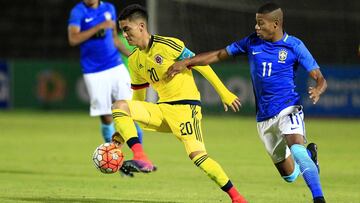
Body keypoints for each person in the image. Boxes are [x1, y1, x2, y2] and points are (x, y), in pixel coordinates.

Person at [166, 2, 327, 203]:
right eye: (256, 23)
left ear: (276, 24)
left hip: (289, 108)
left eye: (261, 23)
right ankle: (311, 159)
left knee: (297, 149)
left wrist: (318, 88)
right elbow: (218, 54)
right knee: (289, 175)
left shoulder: (294, 45)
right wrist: (186, 62)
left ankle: (319, 198)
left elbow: (319, 76)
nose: (256, 27)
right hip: (264, 118)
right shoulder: (252, 42)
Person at [111, 4, 247, 203]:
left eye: (127, 29)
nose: (125, 35)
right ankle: (141, 156)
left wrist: (224, 93)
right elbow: (138, 99)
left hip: (186, 109)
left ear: (141, 26)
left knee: (198, 157)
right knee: (120, 106)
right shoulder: (135, 61)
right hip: (162, 109)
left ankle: (237, 198)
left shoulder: (167, 45)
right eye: (122, 31)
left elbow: (201, 64)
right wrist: (122, 134)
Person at [67, 0, 143, 143]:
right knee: (107, 116)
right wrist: (98, 27)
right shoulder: (78, 12)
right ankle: (112, 154)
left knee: (131, 109)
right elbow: (73, 39)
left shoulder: (109, 8)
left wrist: (132, 56)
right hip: (93, 70)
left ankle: (140, 157)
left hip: (116, 65)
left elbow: (114, 38)